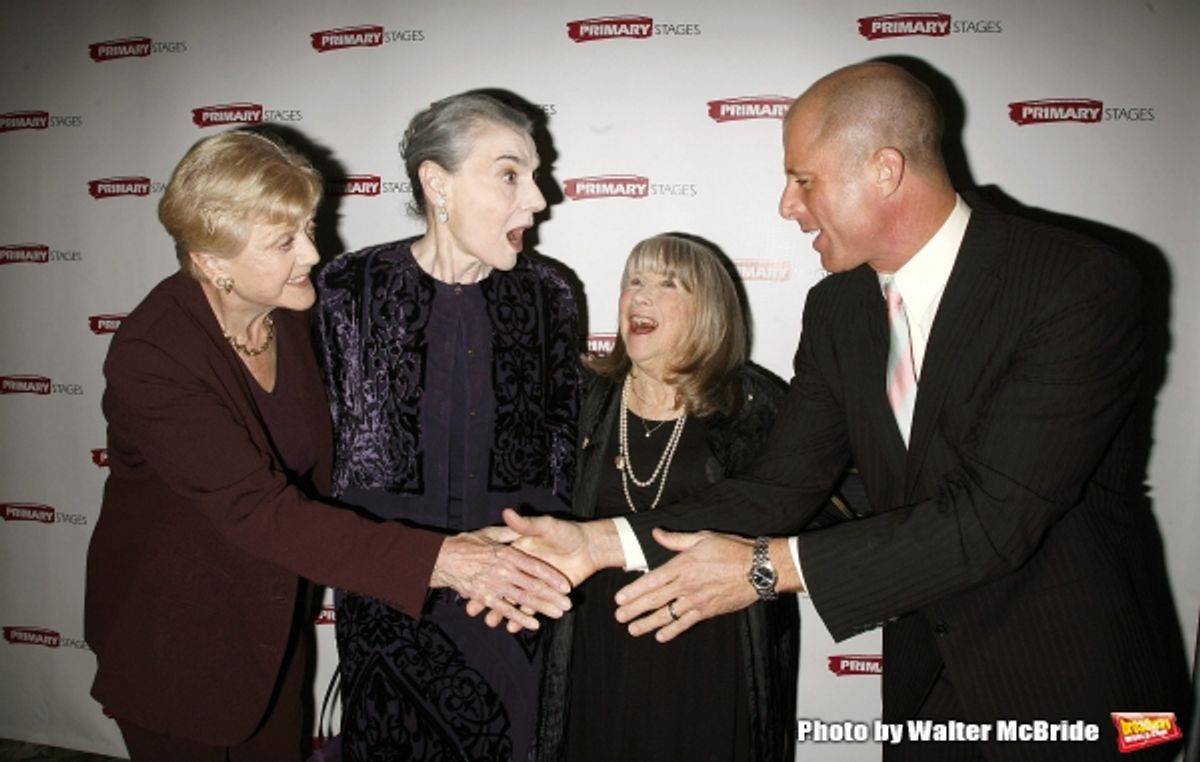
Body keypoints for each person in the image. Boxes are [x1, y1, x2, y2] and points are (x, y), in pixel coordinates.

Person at [504, 62, 1188, 761]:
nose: (787, 205)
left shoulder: (1074, 282)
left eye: (804, 180)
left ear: (884, 171)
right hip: (928, 694)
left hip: (1081, 692)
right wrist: (601, 543)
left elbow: (992, 521)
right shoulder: (837, 308)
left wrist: (763, 570)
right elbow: (783, 487)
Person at [84, 129, 572, 762]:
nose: (312, 254)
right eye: (283, 243)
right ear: (211, 262)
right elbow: (259, 510)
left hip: (272, 632)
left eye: (308, 228)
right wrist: (444, 560)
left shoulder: (293, 314)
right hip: (180, 641)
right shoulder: (154, 355)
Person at [315, 92, 582, 762]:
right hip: (389, 595)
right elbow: (323, 449)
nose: (538, 200)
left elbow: (560, 454)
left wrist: (534, 564)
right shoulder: (348, 288)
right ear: (437, 183)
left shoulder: (551, 294)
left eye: (536, 173)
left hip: (510, 598)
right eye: (510, 174)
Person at [533, 234, 805, 761]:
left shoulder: (754, 406)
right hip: (598, 652)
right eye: (633, 280)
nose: (641, 295)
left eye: (666, 283)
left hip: (712, 656)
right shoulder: (581, 397)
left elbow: (806, 516)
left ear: (708, 310)